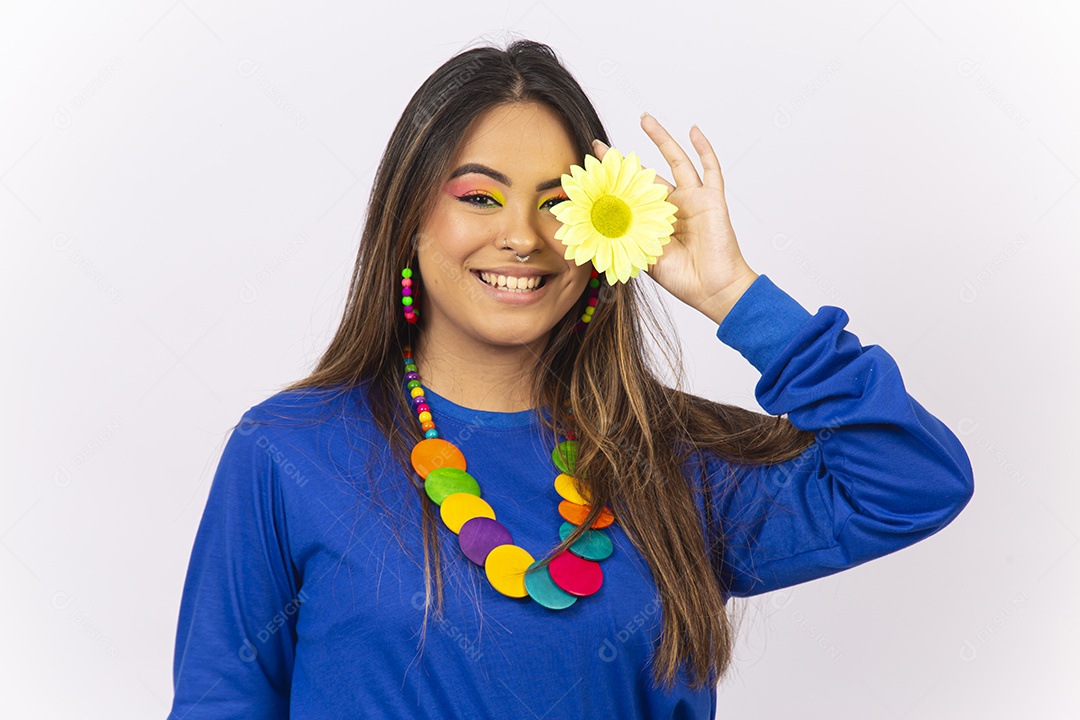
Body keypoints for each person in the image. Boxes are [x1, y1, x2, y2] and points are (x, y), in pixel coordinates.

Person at [167, 39, 974, 719]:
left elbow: (911, 481)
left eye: (558, 204)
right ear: (410, 220)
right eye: (479, 197)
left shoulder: (673, 461)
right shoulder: (286, 452)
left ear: (597, 235)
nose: (522, 237)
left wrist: (733, 294)